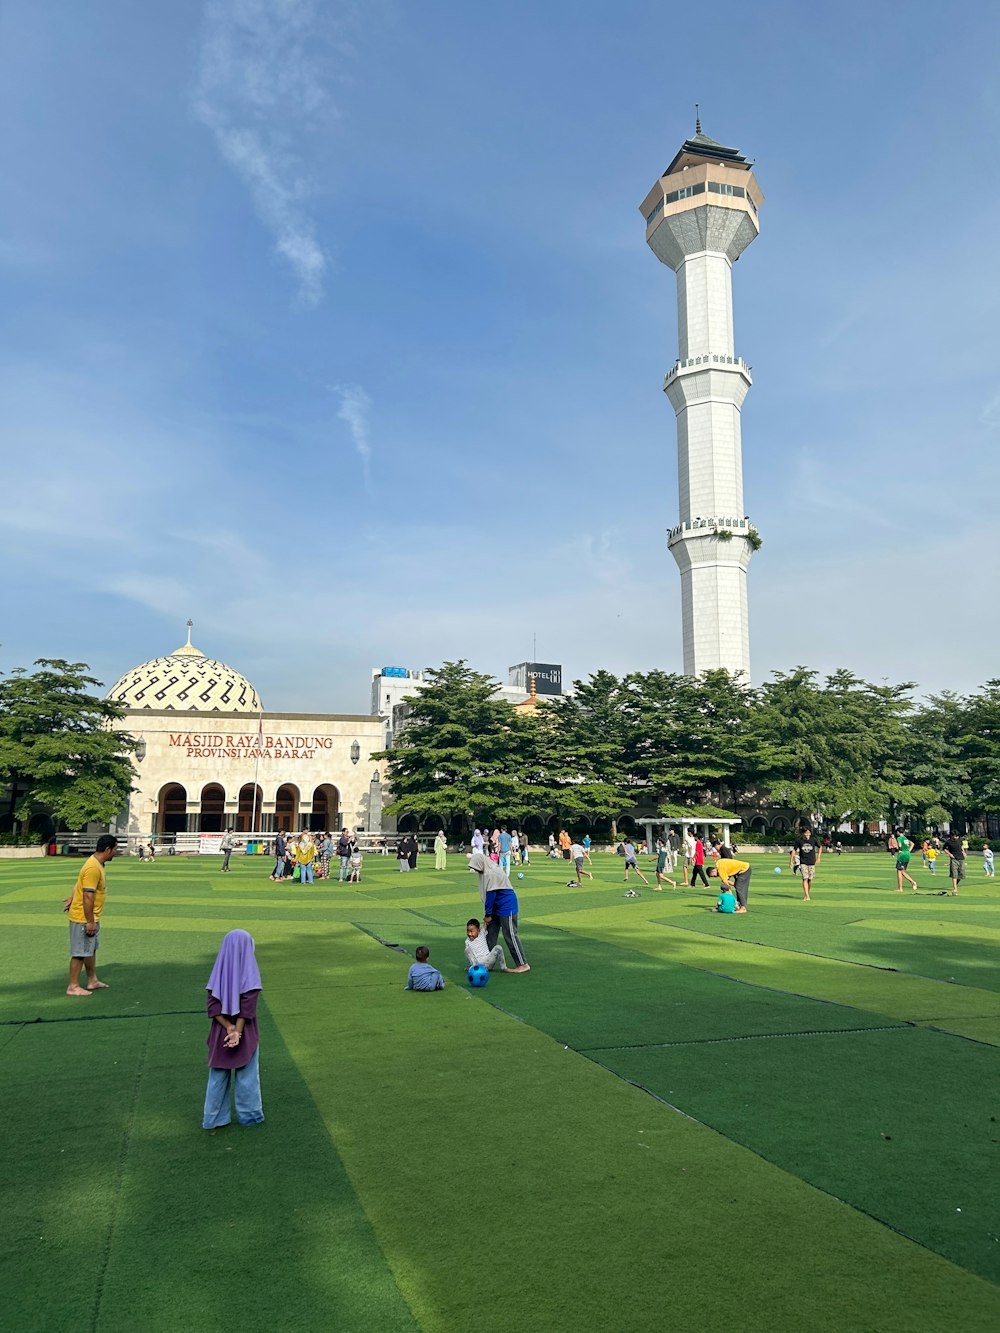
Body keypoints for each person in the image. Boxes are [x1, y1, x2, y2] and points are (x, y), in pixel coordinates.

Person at [202, 929, 264, 1131]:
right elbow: (248, 1007)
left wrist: (228, 1027)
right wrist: (237, 1031)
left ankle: (214, 1118)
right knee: (247, 1075)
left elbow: (212, 1005)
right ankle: (250, 1116)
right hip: (244, 1031)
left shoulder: (218, 971)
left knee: (218, 1076)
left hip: (221, 1032)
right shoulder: (250, 973)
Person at [63, 834, 118, 997]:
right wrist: (90, 921)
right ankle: (73, 986)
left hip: (89, 915)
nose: (116, 852)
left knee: (90, 948)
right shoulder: (93, 868)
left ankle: (92, 980)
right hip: (83, 917)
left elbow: (78, 883)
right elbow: (88, 895)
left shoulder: (96, 863)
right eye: (115, 849)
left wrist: (73, 896)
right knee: (80, 952)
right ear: (108, 849)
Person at [467, 852, 530, 972]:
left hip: (507, 906)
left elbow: (491, 895)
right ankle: (485, 963)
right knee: (490, 934)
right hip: (496, 907)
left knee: (510, 935)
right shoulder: (485, 871)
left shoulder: (492, 873)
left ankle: (523, 964)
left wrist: (487, 915)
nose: (476, 870)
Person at [791, 828, 820, 901]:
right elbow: (794, 850)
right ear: (803, 833)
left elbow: (820, 847)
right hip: (803, 861)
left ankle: (806, 894)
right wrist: (790, 861)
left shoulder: (813, 840)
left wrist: (818, 857)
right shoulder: (799, 841)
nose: (807, 834)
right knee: (805, 878)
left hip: (812, 862)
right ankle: (807, 895)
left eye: (808, 833)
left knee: (810, 879)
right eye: (806, 833)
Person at [944, 830, 965, 896]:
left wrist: (964, 852)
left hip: (961, 858)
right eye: (955, 836)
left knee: (961, 874)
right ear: (952, 835)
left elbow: (961, 846)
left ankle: (955, 884)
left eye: (958, 836)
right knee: (954, 874)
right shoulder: (948, 842)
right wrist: (950, 854)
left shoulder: (960, 840)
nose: (957, 837)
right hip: (954, 859)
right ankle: (955, 889)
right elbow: (944, 848)